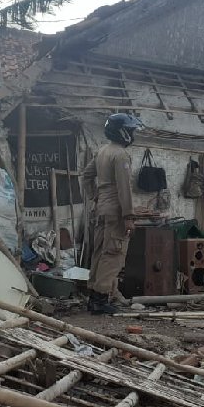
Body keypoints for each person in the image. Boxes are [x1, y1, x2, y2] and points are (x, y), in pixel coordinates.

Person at [81, 113, 143, 314]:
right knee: (113, 255)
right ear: (122, 131)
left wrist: (95, 197)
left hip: (101, 210)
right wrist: (129, 217)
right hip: (115, 211)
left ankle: (93, 298)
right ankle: (100, 300)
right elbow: (124, 189)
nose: (133, 134)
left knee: (99, 253)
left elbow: (86, 176)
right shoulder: (120, 155)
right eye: (131, 130)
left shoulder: (102, 151)